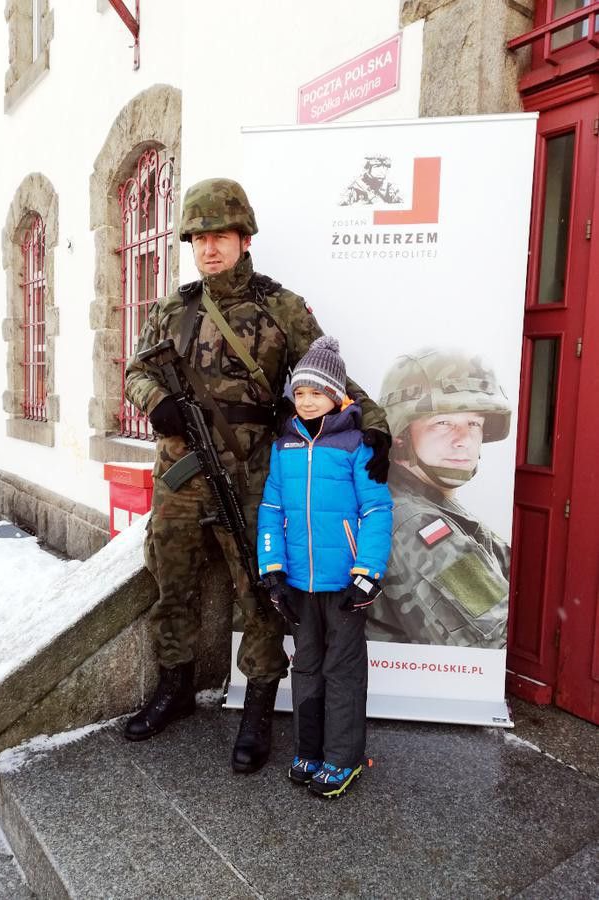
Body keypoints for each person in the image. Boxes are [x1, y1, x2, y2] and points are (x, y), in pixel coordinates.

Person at [122, 178, 391, 775]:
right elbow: (136, 371)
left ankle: (258, 709)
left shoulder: (281, 307)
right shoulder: (173, 308)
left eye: (220, 236)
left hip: (251, 476)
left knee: (260, 592)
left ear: (244, 239)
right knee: (171, 581)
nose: (209, 248)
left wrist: (373, 425)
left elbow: (329, 379)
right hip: (179, 477)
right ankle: (174, 688)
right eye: (199, 239)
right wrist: (155, 403)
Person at [258, 336, 393, 798]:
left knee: (343, 671)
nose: (307, 400)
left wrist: (368, 572)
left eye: (317, 392)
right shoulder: (285, 446)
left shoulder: (357, 445)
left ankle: (342, 758)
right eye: (300, 392)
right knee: (307, 667)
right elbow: (272, 509)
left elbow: (377, 510)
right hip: (300, 582)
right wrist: (273, 570)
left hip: (344, 585)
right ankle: (309, 751)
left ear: (337, 395)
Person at [366, 348, 511, 648]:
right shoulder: (416, 523)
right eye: (443, 423)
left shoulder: (423, 499)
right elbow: (495, 644)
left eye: (474, 423)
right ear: (401, 433)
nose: (464, 440)